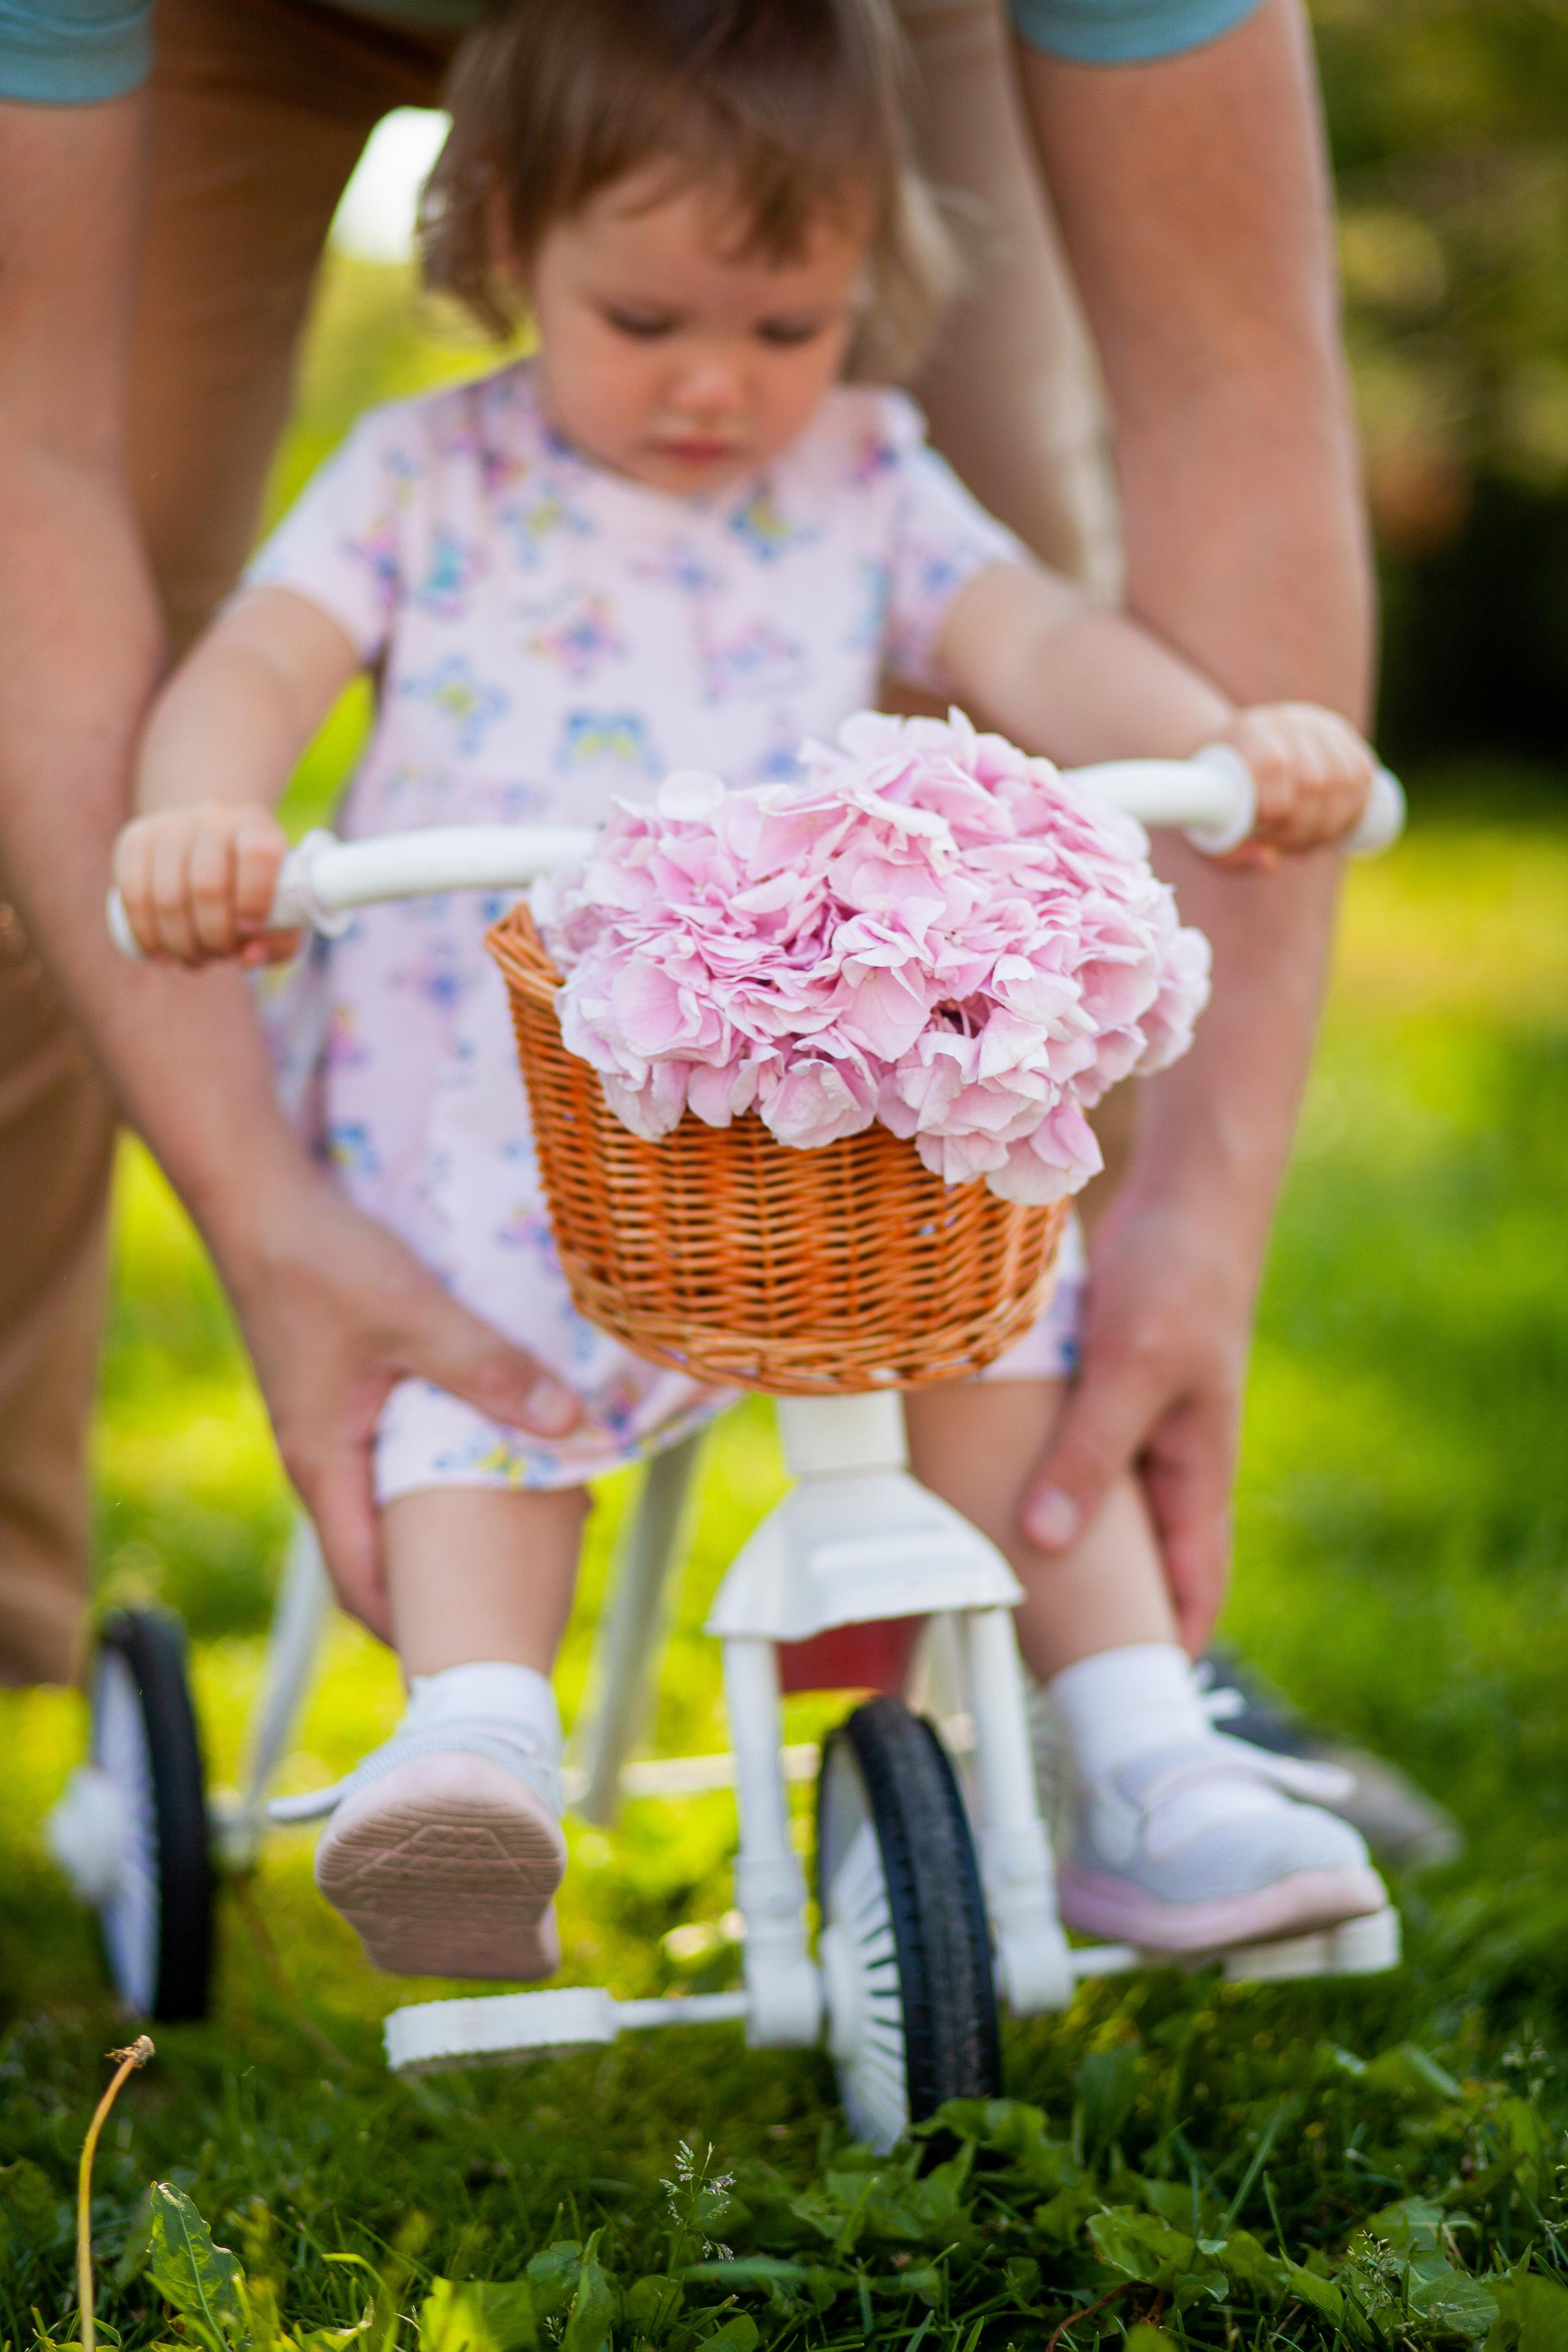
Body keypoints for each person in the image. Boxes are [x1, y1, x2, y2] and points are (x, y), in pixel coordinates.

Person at [114, 0, 1389, 1977]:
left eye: (787, 329)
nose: (719, 384)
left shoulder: (868, 474)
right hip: (505, 1080)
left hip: (807, 1085)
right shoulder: (424, 472)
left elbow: (1035, 637)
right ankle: (476, 1747)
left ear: (863, 288)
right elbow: (262, 664)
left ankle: (1141, 1745)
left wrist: (1225, 741)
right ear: (508, 238)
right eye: (646, 323)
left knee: (995, 1311)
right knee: (484, 1350)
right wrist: (202, 809)